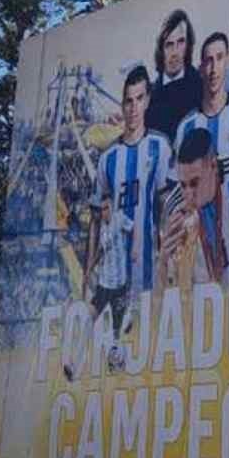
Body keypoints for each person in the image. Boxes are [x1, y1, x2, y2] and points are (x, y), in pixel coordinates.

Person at [86, 65, 174, 296]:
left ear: (147, 101)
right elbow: (96, 221)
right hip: (112, 275)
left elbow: (168, 209)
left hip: (149, 273)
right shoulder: (108, 158)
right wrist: (88, 274)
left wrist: (169, 263)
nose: (133, 108)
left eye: (139, 99)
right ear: (122, 105)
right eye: (128, 101)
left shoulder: (160, 147)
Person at [155, 128, 229, 289]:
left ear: (213, 166)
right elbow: (168, 279)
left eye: (195, 183)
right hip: (207, 303)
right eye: (183, 185)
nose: (188, 194)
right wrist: (165, 260)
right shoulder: (173, 209)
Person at [65, 198, 134, 381]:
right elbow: (101, 251)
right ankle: (73, 366)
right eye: (100, 209)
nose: (103, 213)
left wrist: (135, 248)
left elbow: (134, 229)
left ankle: (118, 361)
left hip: (119, 285)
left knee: (116, 334)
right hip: (105, 285)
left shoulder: (120, 219)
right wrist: (89, 269)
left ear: (111, 207)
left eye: (105, 208)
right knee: (89, 319)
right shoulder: (102, 229)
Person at [173, 32, 229, 157]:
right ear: (201, 69)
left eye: (219, 58)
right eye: (209, 61)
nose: (214, 69)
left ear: (227, 63)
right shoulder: (186, 125)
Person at [145, 9, 202, 139]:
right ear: (161, 50)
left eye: (181, 42)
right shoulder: (148, 96)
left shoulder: (202, 86)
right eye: (169, 44)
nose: (175, 52)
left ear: (188, 45)